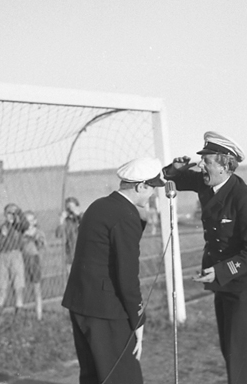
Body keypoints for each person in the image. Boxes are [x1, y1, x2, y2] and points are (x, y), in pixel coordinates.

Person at [164, 131, 247, 384]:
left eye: (207, 161)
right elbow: (168, 179)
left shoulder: (245, 200)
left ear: (224, 165)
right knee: (233, 349)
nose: (201, 165)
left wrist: (221, 271)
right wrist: (174, 169)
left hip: (245, 286)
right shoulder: (206, 182)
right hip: (224, 283)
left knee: (237, 354)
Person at [62, 157, 164, 384]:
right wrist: (138, 320)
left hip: (81, 303)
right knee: (123, 378)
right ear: (141, 186)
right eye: (152, 189)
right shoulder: (126, 216)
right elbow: (127, 278)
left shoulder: (98, 205)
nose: (151, 195)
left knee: (93, 377)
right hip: (107, 309)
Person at [0, 203, 29, 323]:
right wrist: (1, 236)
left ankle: (18, 315)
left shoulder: (19, 226)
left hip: (16, 255)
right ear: (4, 214)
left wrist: (19, 212)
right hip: (3, 256)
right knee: (1, 287)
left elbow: (25, 225)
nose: (11, 215)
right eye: (9, 213)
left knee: (18, 287)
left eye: (14, 213)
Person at [22, 210, 47, 321]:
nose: (29, 223)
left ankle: (39, 315)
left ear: (35, 221)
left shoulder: (38, 232)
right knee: (21, 287)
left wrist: (36, 239)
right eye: (26, 221)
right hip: (23, 260)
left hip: (34, 259)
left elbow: (42, 246)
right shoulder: (21, 233)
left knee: (36, 288)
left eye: (31, 220)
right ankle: (21, 312)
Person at [58, 197, 82, 267]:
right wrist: (61, 221)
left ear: (77, 207)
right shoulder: (66, 221)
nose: (70, 210)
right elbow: (59, 234)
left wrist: (78, 215)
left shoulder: (83, 217)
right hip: (71, 254)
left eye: (72, 207)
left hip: (84, 253)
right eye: (68, 208)